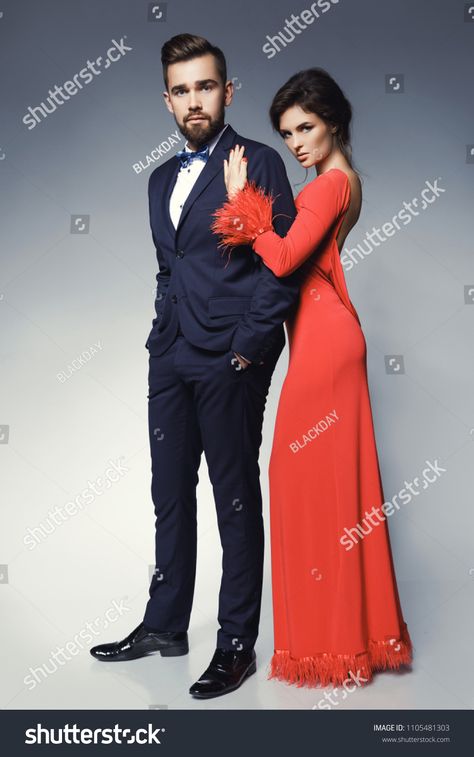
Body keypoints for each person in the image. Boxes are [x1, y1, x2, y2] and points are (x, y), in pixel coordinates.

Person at [90, 33, 300, 700]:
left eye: (206, 85)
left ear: (228, 91)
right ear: (167, 100)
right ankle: (164, 625)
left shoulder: (259, 161)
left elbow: (283, 266)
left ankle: (235, 644)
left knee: (234, 501)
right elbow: (171, 265)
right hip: (171, 355)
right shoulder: (159, 179)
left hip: (229, 360)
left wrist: (248, 349)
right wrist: (161, 333)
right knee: (169, 494)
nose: (194, 100)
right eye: (181, 89)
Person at [211, 67, 413, 687]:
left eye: (305, 127)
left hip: (325, 344)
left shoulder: (328, 185)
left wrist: (243, 199)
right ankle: (354, 637)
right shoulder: (340, 181)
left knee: (303, 484)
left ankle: (329, 645)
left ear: (333, 122)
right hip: (328, 337)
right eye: (286, 132)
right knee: (334, 489)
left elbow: (283, 258)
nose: (295, 142)